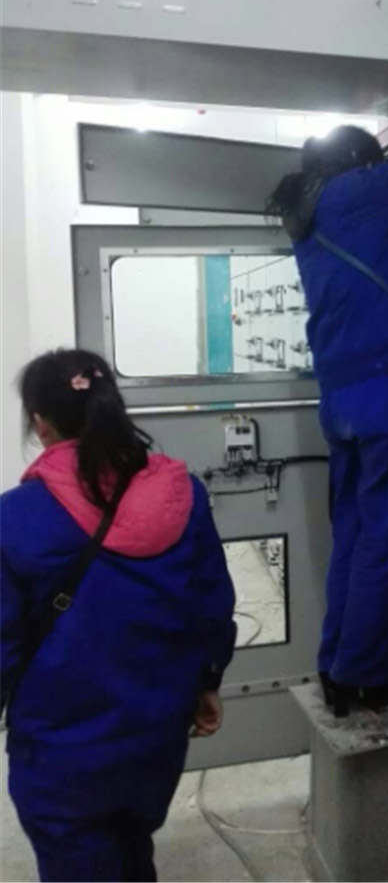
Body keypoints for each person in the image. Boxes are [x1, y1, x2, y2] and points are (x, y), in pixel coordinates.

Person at [0, 349, 236, 883]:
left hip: (62, 750)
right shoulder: (183, 494)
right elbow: (211, 605)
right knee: (132, 844)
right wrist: (208, 681)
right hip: (157, 736)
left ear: (40, 423)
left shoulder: (15, 518)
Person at [270, 126, 388, 715]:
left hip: (341, 399)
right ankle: (366, 677)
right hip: (387, 391)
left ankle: (336, 663)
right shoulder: (351, 193)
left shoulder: (307, 215)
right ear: (358, 164)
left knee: (352, 534)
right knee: (384, 540)